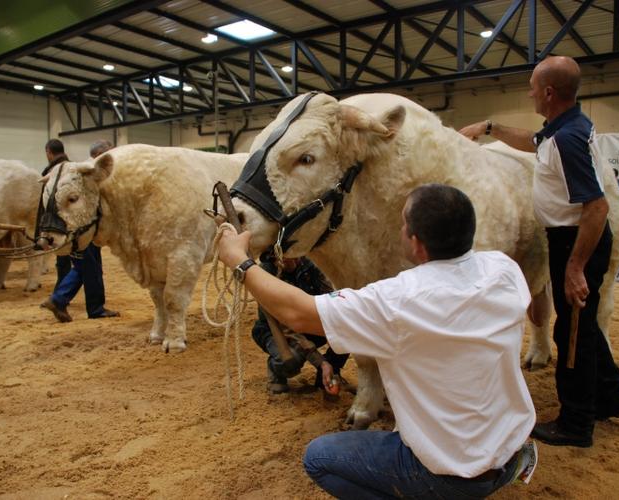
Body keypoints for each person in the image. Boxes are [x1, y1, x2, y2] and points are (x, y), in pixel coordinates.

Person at [218, 184, 537, 498]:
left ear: (417, 243)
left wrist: (239, 261)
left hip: (450, 476)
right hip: (509, 451)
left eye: (403, 223)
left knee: (320, 458)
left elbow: (297, 313)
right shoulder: (503, 268)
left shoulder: (397, 301)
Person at [459, 55, 619, 448]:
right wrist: (490, 128)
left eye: (533, 87)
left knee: (572, 332)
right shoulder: (566, 126)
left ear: (549, 92)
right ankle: (612, 394)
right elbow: (532, 142)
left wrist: (575, 267)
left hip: (578, 239)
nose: (530, 92)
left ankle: (576, 423)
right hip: (570, 238)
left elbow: (597, 206)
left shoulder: (567, 140)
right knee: (582, 324)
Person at [40, 139, 119, 322]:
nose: (112, 156)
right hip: (83, 229)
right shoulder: (85, 172)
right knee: (90, 268)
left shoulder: (75, 170)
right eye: (109, 152)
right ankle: (89, 307)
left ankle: (60, 299)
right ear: (100, 154)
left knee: (83, 267)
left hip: (76, 229)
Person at [252, 256, 349, 394]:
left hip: (305, 322)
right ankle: (276, 372)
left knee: (346, 331)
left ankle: (330, 373)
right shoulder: (265, 272)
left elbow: (329, 299)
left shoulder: (310, 264)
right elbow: (286, 327)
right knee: (290, 360)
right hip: (275, 330)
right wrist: (320, 362)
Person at [42, 139, 72, 290]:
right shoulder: (71, 167)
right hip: (70, 222)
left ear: (49, 152)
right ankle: (61, 293)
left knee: (64, 261)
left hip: (59, 224)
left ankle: (60, 294)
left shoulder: (55, 171)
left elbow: (50, 204)